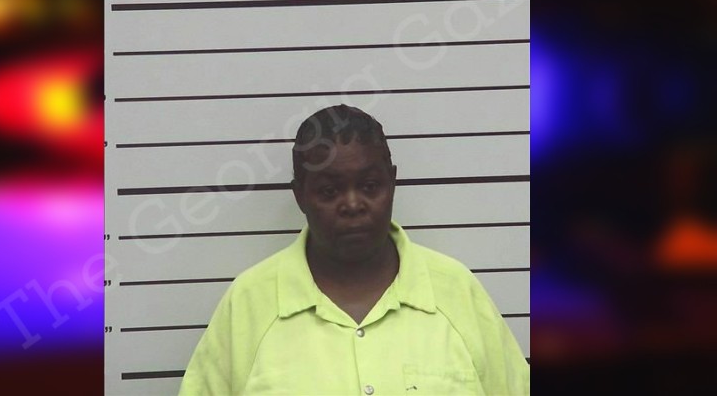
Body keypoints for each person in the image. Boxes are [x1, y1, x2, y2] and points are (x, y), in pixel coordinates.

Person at [179, 105, 529, 395]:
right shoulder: (249, 304)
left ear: (392, 183)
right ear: (300, 196)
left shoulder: (455, 292)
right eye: (329, 191)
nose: (352, 204)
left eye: (370, 185)